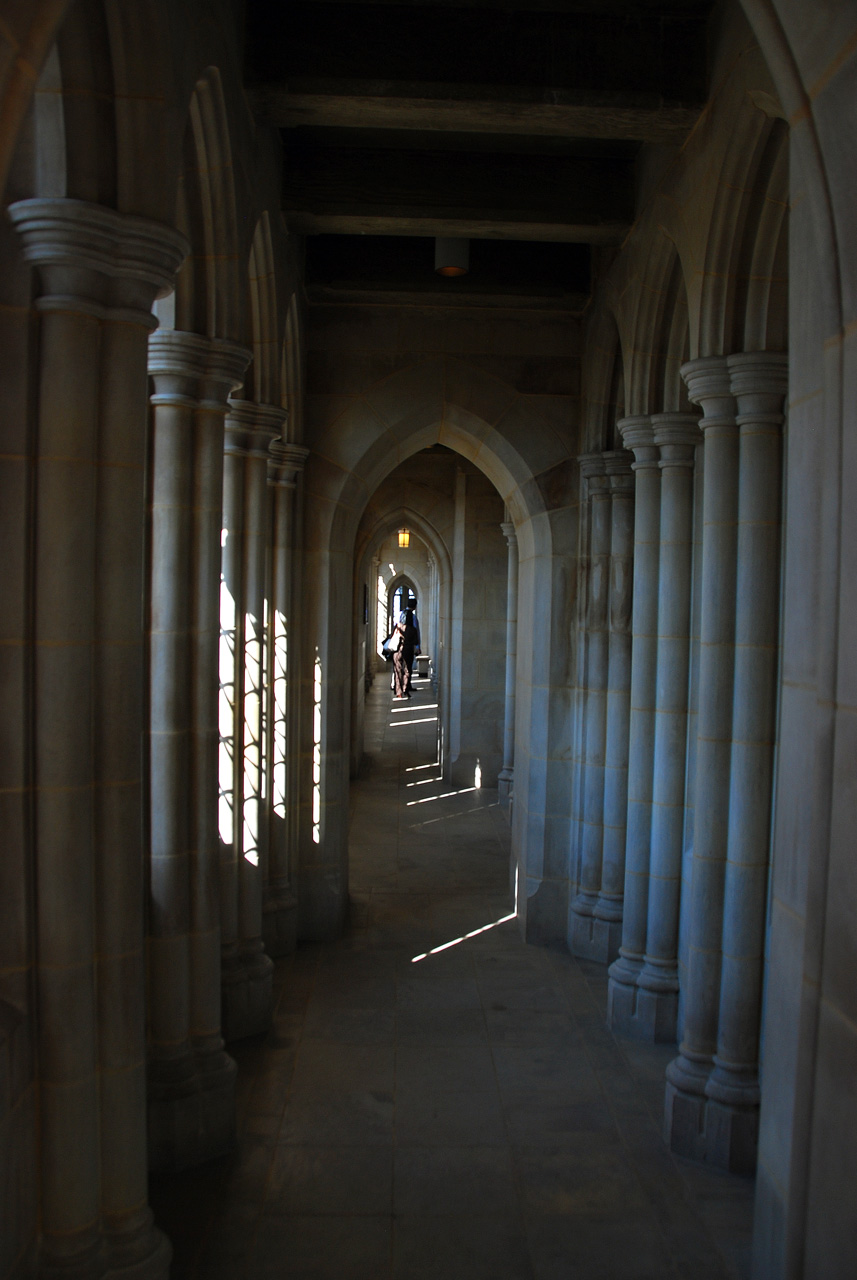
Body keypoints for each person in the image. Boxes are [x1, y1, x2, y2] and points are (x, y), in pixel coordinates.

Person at [392, 606, 418, 699]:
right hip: (408, 650)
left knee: (397, 670)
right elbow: (416, 641)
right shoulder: (413, 629)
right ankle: (405, 690)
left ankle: (398, 692)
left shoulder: (398, 625)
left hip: (397, 650)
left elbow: (392, 636)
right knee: (407, 671)